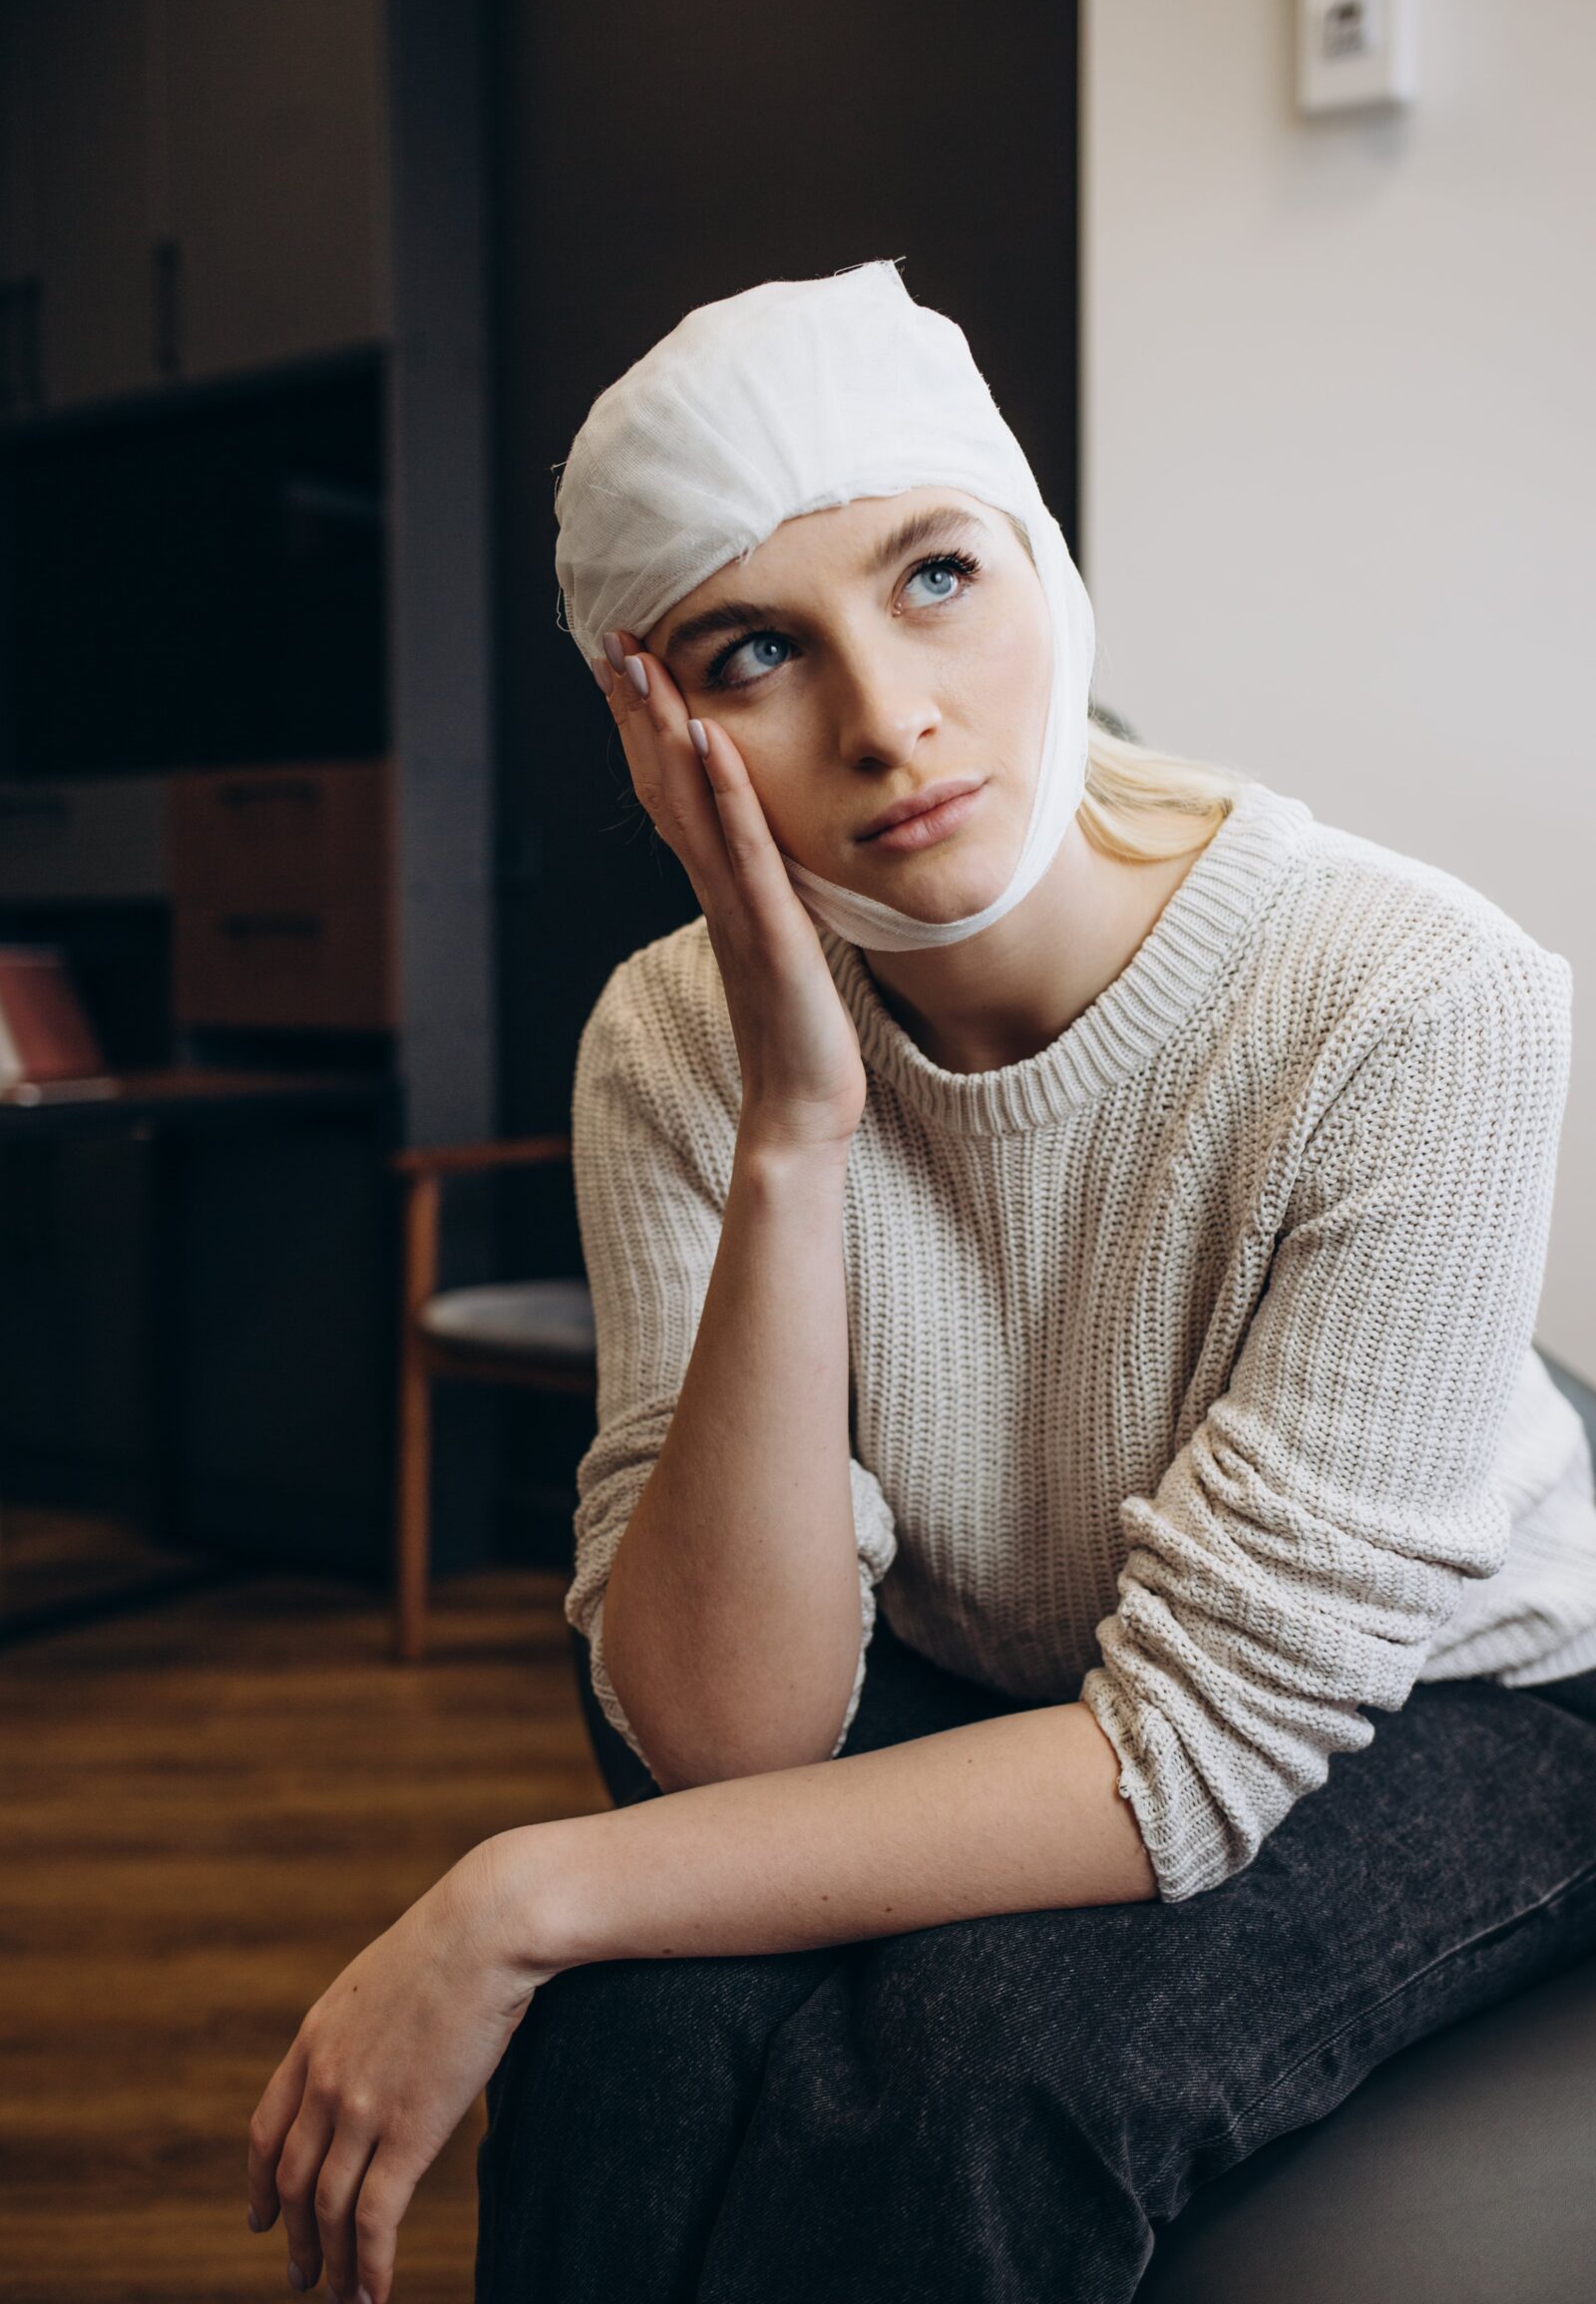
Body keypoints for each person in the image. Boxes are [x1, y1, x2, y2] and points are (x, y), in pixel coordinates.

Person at [242, 263, 1596, 2304]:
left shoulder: (1415, 996)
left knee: (981, 2080)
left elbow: (1200, 1741)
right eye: (756, 649)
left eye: (938, 576)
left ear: (1046, 566)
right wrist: (795, 1130)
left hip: (1456, 1705)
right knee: (632, 2038)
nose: (885, 717)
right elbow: (721, 1736)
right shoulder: (671, 1041)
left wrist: (520, 1891)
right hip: (996, 1668)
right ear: (653, 724)